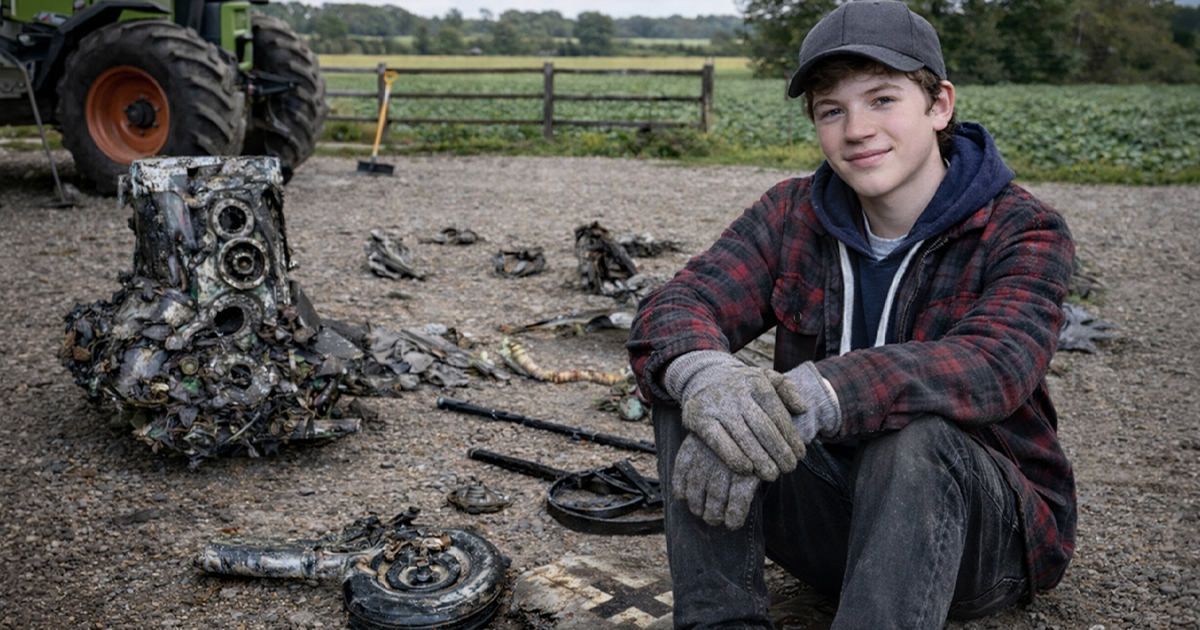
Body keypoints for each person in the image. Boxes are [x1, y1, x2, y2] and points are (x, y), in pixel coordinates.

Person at [626, 1, 1077, 628]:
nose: (856, 129)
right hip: (835, 523)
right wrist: (707, 379)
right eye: (831, 111)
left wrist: (826, 392)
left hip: (979, 540)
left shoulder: (1022, 229)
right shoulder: (792, 213)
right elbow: (678, 305)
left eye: (883, 99)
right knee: (701, 385)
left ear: (939, 105)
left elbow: (995, 363)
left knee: (917, 436)